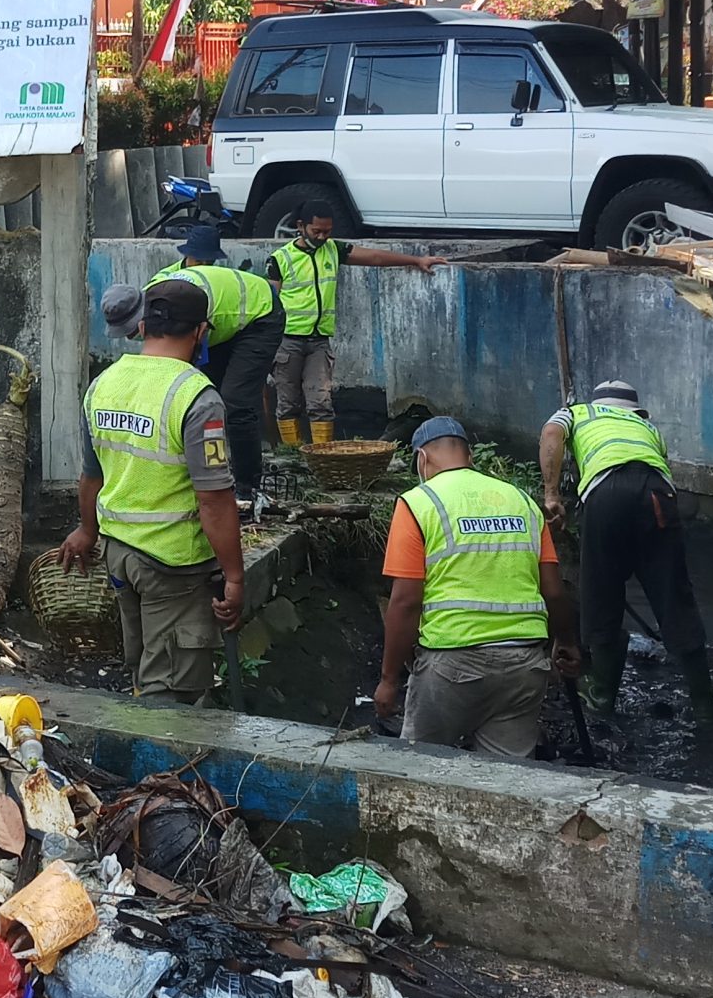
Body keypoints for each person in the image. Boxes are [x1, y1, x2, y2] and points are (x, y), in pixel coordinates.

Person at [61, 279, 246, 702]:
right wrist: (234, 576)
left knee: (144, 662)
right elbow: (214, 499)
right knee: (171, 688)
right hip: (172, 563)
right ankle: (160, 765)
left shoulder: (103, 384)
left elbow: (92, 475)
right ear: (201, 332)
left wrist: (87, 530)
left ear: (143, 327)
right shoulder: (196, 396)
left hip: (120, 554)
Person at [375, 416, 582, 758]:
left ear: (422, 460)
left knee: (421, 770)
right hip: (524, 666)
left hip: (451, 665)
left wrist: (389, 679)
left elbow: (406, 602)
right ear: (470, 458)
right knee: (506, 782)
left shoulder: (417, 502)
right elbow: (554, 591)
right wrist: (568, 642)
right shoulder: (523, 501)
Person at [540, 380, 713, 722]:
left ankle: (602, 696)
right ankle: (705, 702)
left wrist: (551, 495)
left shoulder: (578, 412)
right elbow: (654, 474)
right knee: (673, 594)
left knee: (602, 591)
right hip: (657, 495)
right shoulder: (647, 427)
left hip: (605, 493)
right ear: (635, 410)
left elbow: (551, 435)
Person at [266, 201, 448, 448]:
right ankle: (292, 453)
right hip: (287, 341)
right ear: (301, 226)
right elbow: (270, 303)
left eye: (327, 232)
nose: (322, 237)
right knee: (288, 403)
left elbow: (374, 257)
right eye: (316, 231)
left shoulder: (333, 250)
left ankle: (322, 454)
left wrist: (416, 260)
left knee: (321, 402)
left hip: (319, 340)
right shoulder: (280, 259)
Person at [150, 224, 283, 502]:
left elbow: (195, 350)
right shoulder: (158, 286)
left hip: (260, 318)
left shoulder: (199, 296)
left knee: (235, 402)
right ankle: (208, 475)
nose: (203, 264)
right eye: (200, 260)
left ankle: (248, 488)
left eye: (206, 261)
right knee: (203, 398)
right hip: (225, 323)